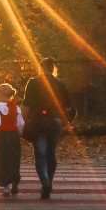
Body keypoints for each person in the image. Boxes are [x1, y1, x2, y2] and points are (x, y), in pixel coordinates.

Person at [21, 57, 65, 199]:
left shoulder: (33, 83)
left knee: (40, 154)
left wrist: (22, 121)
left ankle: (45, 181)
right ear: (53, 69)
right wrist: (64, 122)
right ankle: (50, 181)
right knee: (51, 153)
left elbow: (26, 105)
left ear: (40, 68)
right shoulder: (60, 84)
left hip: (38, 122)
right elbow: (69, 107)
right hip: (55, 122)